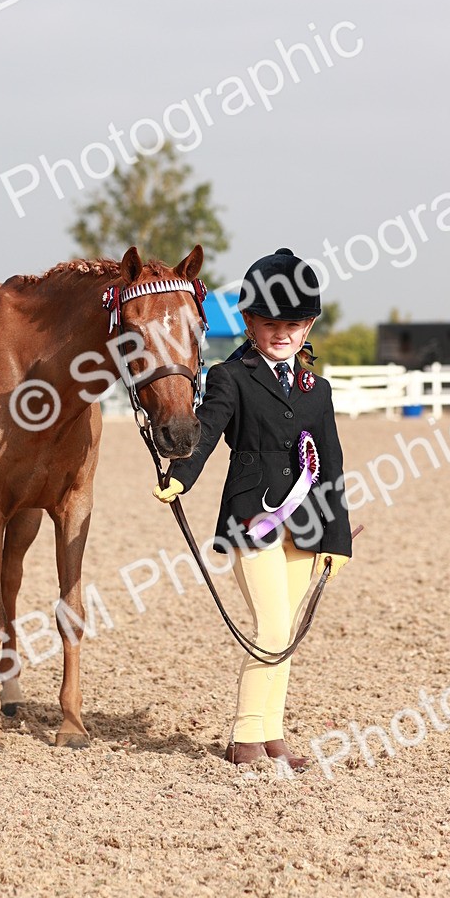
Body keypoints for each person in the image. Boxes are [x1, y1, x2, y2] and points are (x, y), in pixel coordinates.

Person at [152, 247, 352, 770]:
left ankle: (273, 734)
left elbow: (330, 464)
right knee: (269, 627)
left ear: (307, 326)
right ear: (248, 322)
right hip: (253, 519)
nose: (281, 334)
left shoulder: (318, 389)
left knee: (285, 633)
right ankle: (244, 738)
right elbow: (208, 429)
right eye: (269, 324)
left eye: (293, 324)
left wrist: (337, 540)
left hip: (306, 524)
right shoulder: (230, 376)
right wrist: (181, 476)